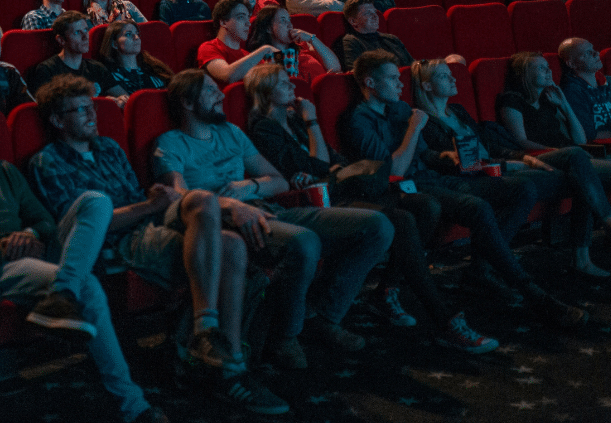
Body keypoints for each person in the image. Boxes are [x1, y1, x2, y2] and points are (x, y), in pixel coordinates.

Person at [26, 76, 287, 414]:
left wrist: (156, 202)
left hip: (149, 222)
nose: (92, 115)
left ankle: (209, 338)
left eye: (92, 107)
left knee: (209, 209)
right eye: (80, 110)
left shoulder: (108, 148)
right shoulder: (48, 162)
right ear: (58, 120)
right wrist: (148, 206)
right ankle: (229, 368)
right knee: (232, 249)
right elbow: (83, 227)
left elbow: (140, 201)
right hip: (120, 240)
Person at [0, 94, 169, 423]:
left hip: (39, 252)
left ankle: (62, 293)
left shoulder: (4, 171)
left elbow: (45, 222)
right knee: (87, 284)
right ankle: (135, 407)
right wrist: (1, 249)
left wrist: (30, 236)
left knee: (96, 201)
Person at [243, 64, 498, 352]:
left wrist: (325, 157)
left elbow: (331, 158)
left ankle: (388, 289)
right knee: (401, 221)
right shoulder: (264, 127)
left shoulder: (295, 119)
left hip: (343, 187)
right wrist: (314, 124)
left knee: (424, 206)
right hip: (324, 199)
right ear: (264, 92)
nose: (292, 85)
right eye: (282, 83)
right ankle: (444, 318)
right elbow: (319, 165)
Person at [156, 69, 393, 367]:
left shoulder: (232, 132)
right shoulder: (170, 143)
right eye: (209, 91)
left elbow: (279, 182)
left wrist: (249, 185)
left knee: (377, 226)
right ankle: (286, 337)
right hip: (227, 222)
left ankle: (324, 315)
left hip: (268, 207)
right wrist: (230, 204)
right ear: (187, 103)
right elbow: (180, 198)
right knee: (304, 242)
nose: (221, 95)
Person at [342, 50, 588, 327]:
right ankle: (535, 294)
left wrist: (446, 157)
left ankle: (480, 272)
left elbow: (424, 156)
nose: (400, 85)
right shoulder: (360, 121)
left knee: (521, 189)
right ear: (370, 83)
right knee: (479, 208)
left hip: (434, 177)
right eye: (391, 78)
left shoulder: (399, 109)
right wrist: (413, 129)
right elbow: (395, 171)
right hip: (407, 189)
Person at [414, 58, 610, 279]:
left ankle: (591, 244)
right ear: (426, 86)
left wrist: (527, 159)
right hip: (488, 176)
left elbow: (491, 145)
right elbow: (458, 166)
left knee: (578, 162)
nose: (452, 78)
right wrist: (509, 166)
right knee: (580, 172)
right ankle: (590, 246)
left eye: (451, 73)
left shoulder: (457, 111)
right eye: (443, 75)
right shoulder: (424, 122)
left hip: (506, 167)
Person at [27, 11, 127, 100]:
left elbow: (123, 96)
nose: (85, 37)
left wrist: (118, 101)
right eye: (77, 32)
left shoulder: (96, 67)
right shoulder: (48, 70)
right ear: (61, 40)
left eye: (86, 30)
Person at [198, 0, 279, 87]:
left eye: (248, 18)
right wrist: (265, 49)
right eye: (241, 17)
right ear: (223, 22)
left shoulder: (248, 56)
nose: (248, 23)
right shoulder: (209, 47)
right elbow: (227, 75)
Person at [245, 5, 340, 81]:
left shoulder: (304, 46)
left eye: (289, 20)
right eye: (283, 20)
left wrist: (312, 38)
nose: (290, 25)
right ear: (268, 28)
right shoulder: (265, 59)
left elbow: (335, 68)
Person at [97, 21, 173, 94]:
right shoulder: (110, 77)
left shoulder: (153, 68)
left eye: (137, 33)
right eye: (128, 34)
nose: (136, 37)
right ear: (115, 44)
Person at [338, 0, 412, 71]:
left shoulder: (391, 39)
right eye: (368, 13)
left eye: (374, 12)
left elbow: (413, 66)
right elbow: (357, 73)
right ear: (353, 21)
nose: (375, 16)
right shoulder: (351, 42)